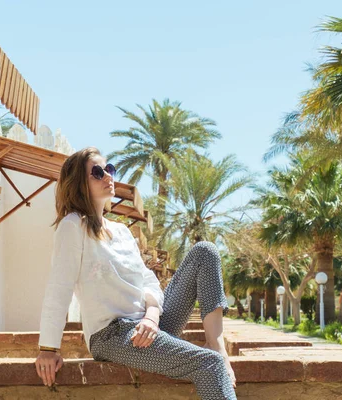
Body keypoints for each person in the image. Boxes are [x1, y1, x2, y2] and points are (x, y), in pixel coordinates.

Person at [35, 147, 237, 400]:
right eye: (97, 172)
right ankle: (214, 357)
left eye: (109, 169)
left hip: (150, 324)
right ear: (78, 184)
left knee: (204, 251)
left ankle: (217, 345)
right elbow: (59, 288)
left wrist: (152, 317)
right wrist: (48, 347)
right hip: (113, 335)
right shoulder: (73, 226)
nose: (108, 176)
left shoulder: (121, 232)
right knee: (209, 364)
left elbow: (148, 281)